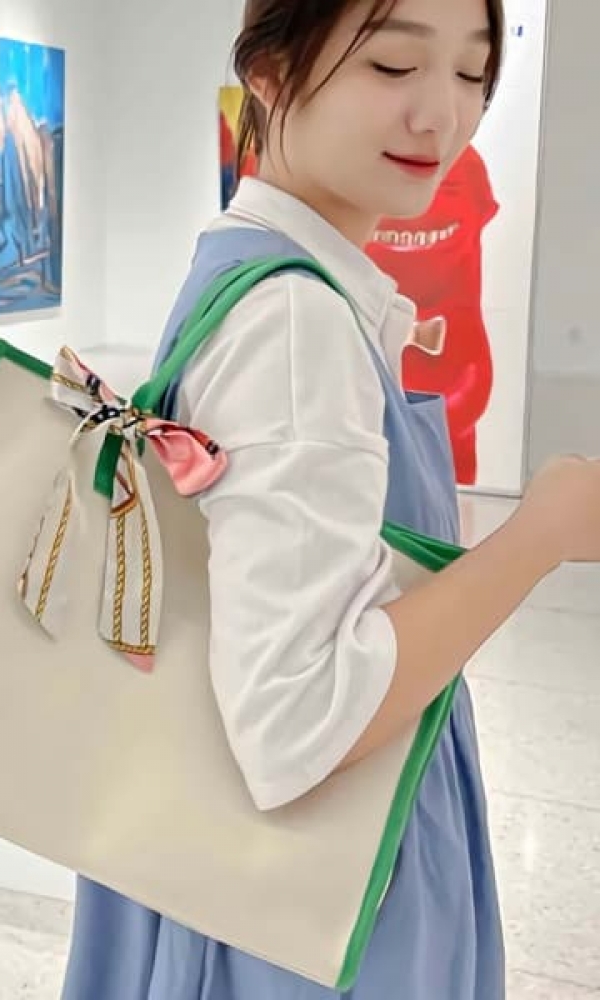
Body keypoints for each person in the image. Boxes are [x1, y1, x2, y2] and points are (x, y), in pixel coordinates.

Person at [61, 0, 600, 997]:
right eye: (392, 66)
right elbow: (297, 725)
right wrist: (541, 533)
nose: (441, 116)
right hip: (323, 898)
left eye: (472, 73)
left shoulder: (248, 264)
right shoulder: (296, 322)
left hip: (236, 865)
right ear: (268, 74)